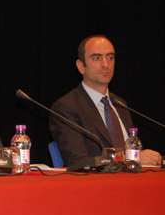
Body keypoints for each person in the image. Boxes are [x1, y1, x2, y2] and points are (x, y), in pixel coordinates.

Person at [49, 35, 162, 167]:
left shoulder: (120, 104)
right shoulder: (66, 107)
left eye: (110, 58)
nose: (105, 64)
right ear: (81, 66)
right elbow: (77, 162)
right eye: (96, 58)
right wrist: (129, 159)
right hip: (97, 185)